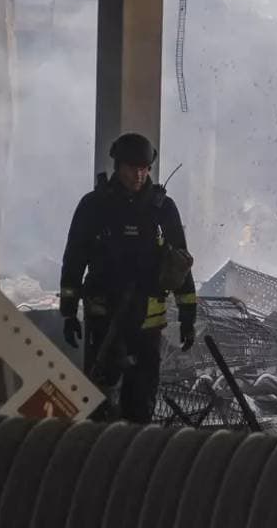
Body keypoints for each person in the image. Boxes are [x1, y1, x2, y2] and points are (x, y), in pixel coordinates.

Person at [58, 132, 197, 423]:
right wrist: (69, 312)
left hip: (147, 323)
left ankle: (136, 460)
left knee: (141, 402)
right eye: (133, 167)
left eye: (144, 168)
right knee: (98, 401)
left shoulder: (163, 209)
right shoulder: (93, 206)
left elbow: (180, 264)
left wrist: (188, 315)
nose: (139, 174)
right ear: (118, 166)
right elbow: (74, 260)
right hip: (104, 319)